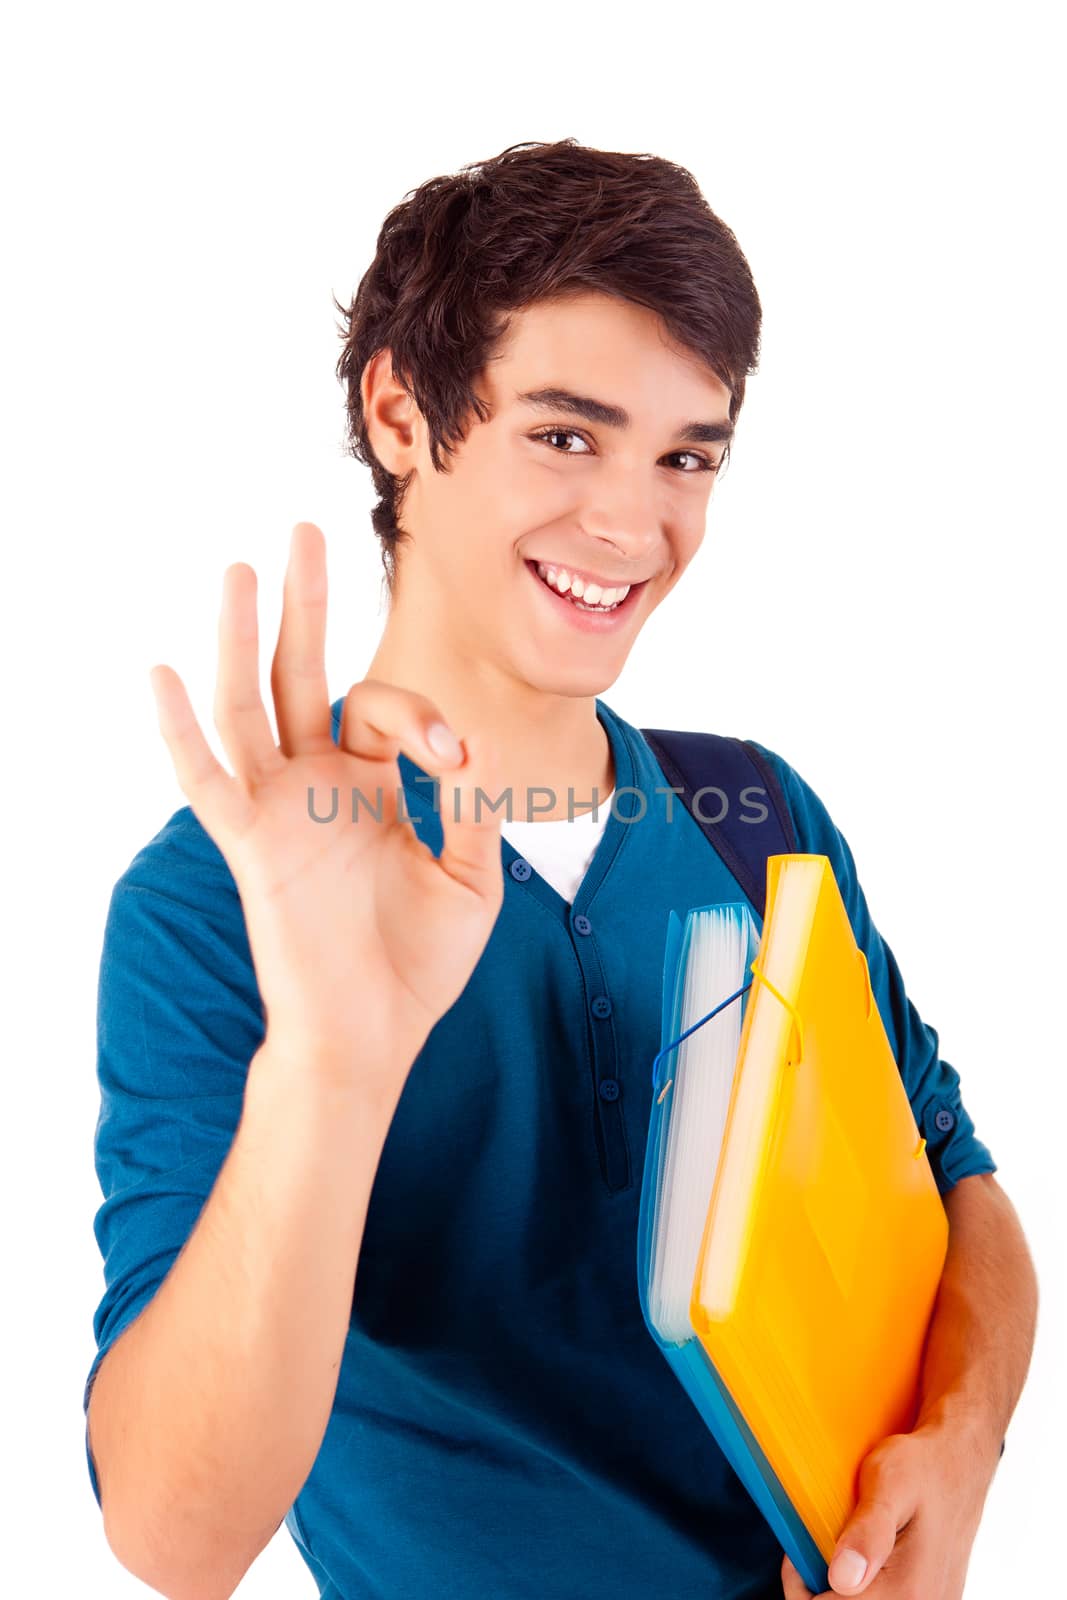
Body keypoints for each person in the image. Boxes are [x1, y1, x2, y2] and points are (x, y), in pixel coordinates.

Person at [84, 138, 1037, 1600]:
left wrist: (959, 1449)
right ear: (402, 410)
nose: (630, 525)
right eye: (566, 435)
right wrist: (332, 1062)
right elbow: (173, 1535)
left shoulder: (753, 813)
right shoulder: (219, 904)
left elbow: (958, 1185)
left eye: (686, 457)